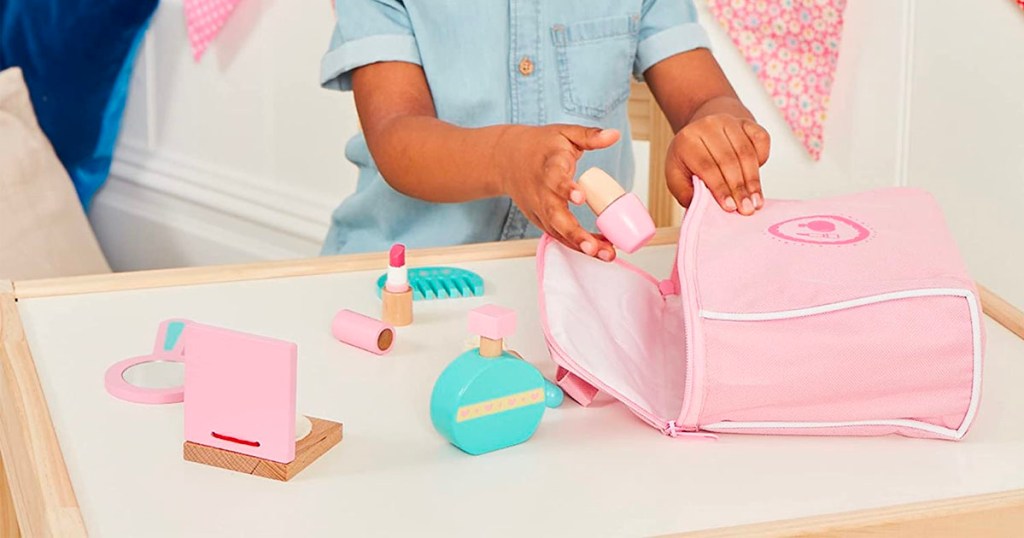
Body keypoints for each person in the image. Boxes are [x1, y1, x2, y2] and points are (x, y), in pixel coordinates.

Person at [320, 0, 771, 261]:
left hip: (581, 282)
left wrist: (716, 132)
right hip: (405, 275)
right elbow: (396, 135)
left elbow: (706, 100)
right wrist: (507, 157)